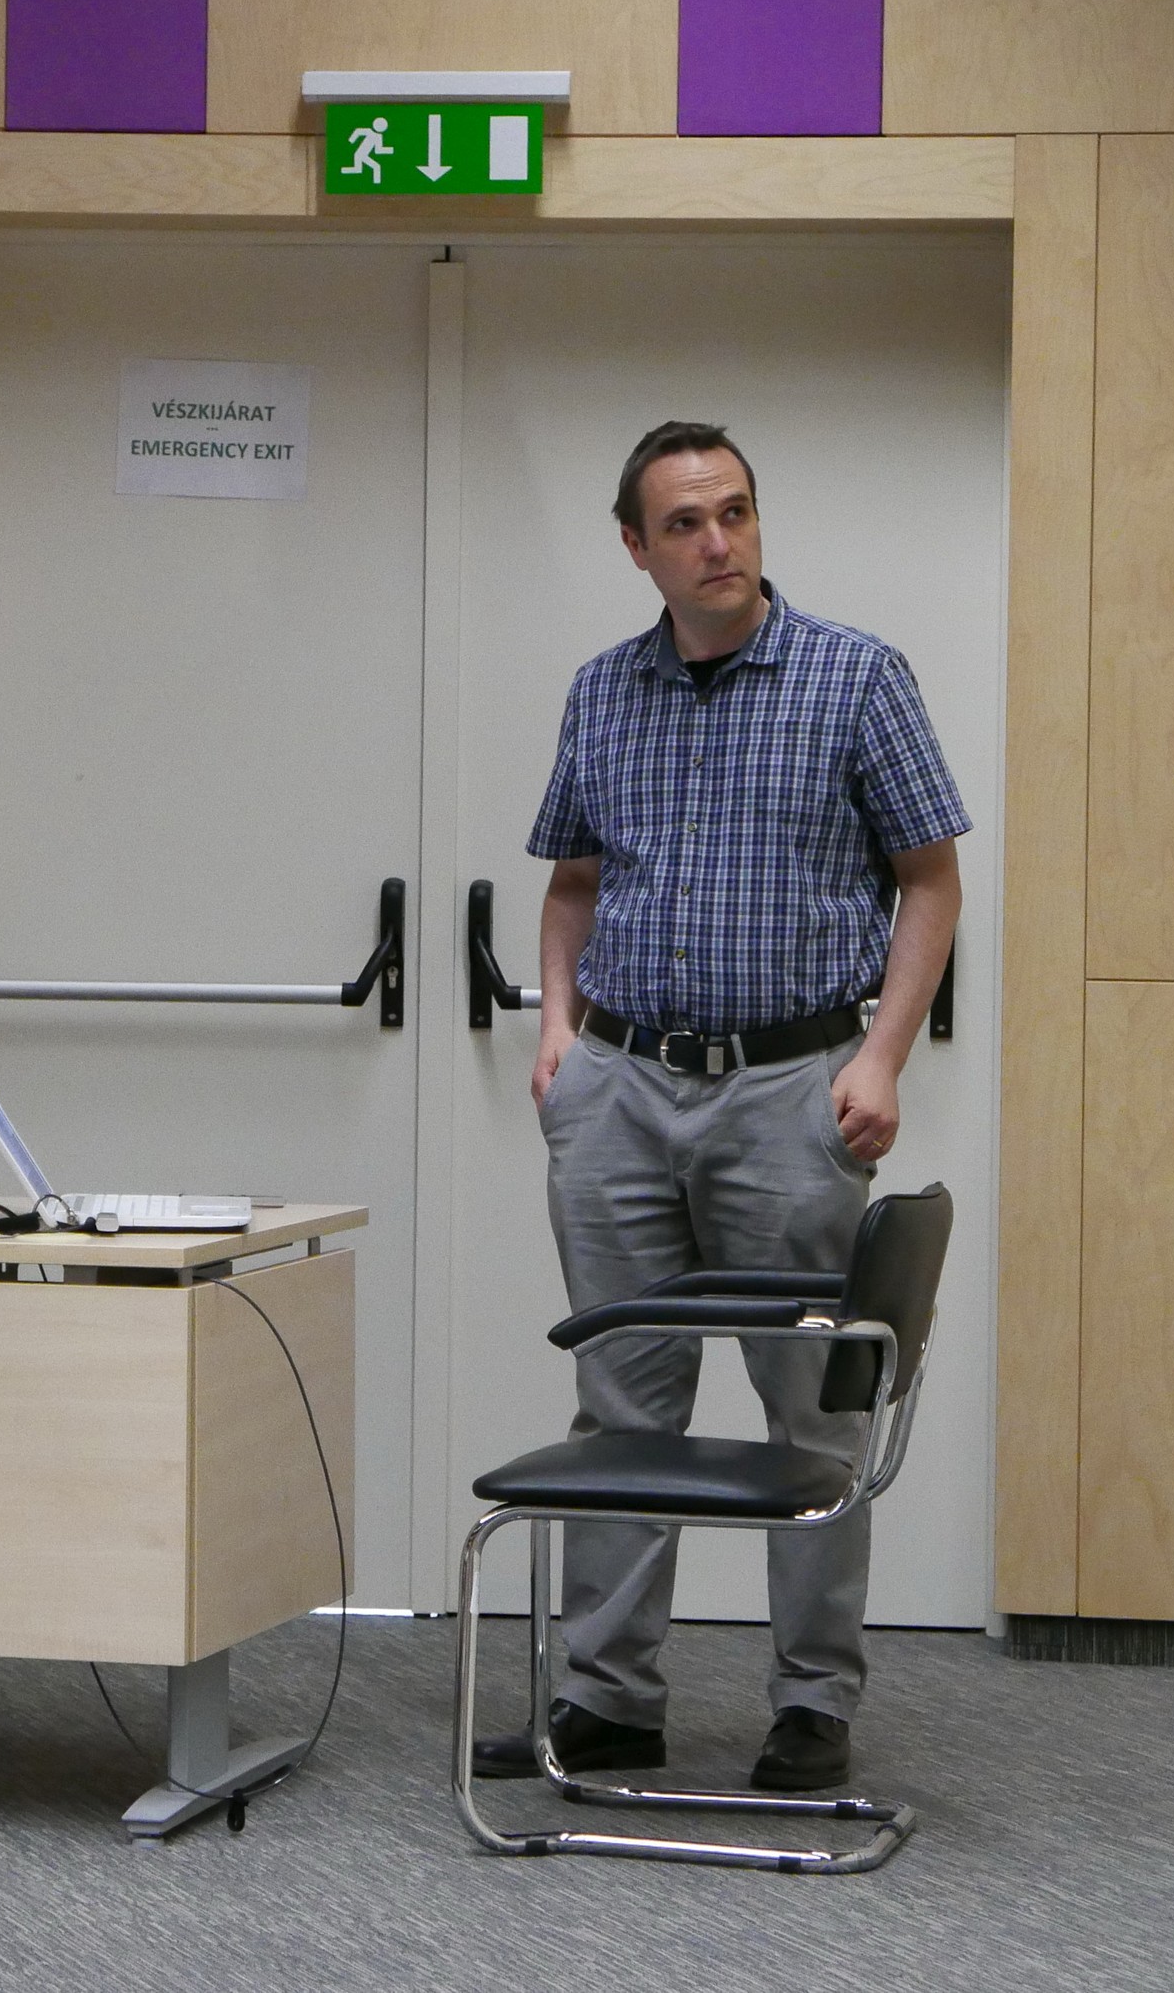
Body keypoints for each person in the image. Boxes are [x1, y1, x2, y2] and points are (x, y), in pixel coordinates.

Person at [471, 422, 968, 1794]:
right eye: (684, 522)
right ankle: (607, 1700)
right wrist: (558, 1033)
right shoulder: (602, 691)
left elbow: (930, 880)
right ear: (637, 547)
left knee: (812, 1409)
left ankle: (810, 1704)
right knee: (621, 1401)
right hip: (621, 1090)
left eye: (735, 512)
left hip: (790, 1090)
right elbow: (573, 884)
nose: (717, 541)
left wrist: (881, 1057)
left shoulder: (855, 676)